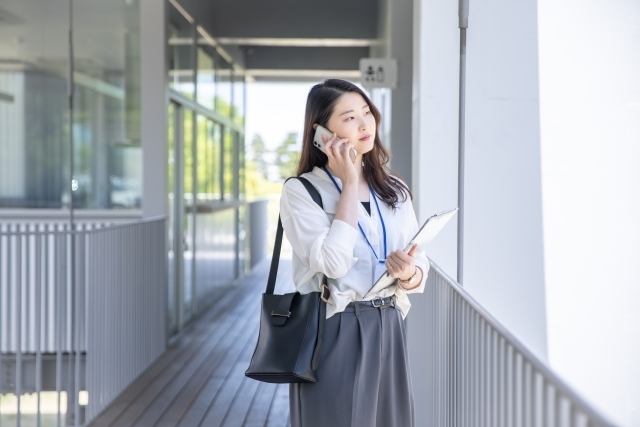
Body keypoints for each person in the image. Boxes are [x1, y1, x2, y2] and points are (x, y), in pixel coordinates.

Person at [280, 79, 429, 427]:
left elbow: (419, 260)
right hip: (335, 326)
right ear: (321, 132)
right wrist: (349, 183)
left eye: (367, 112)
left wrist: (409, 273)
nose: (365, 125)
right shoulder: (302, 192)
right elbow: (333, 262)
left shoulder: (394, 189)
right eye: (349, 117)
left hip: (390, 321)